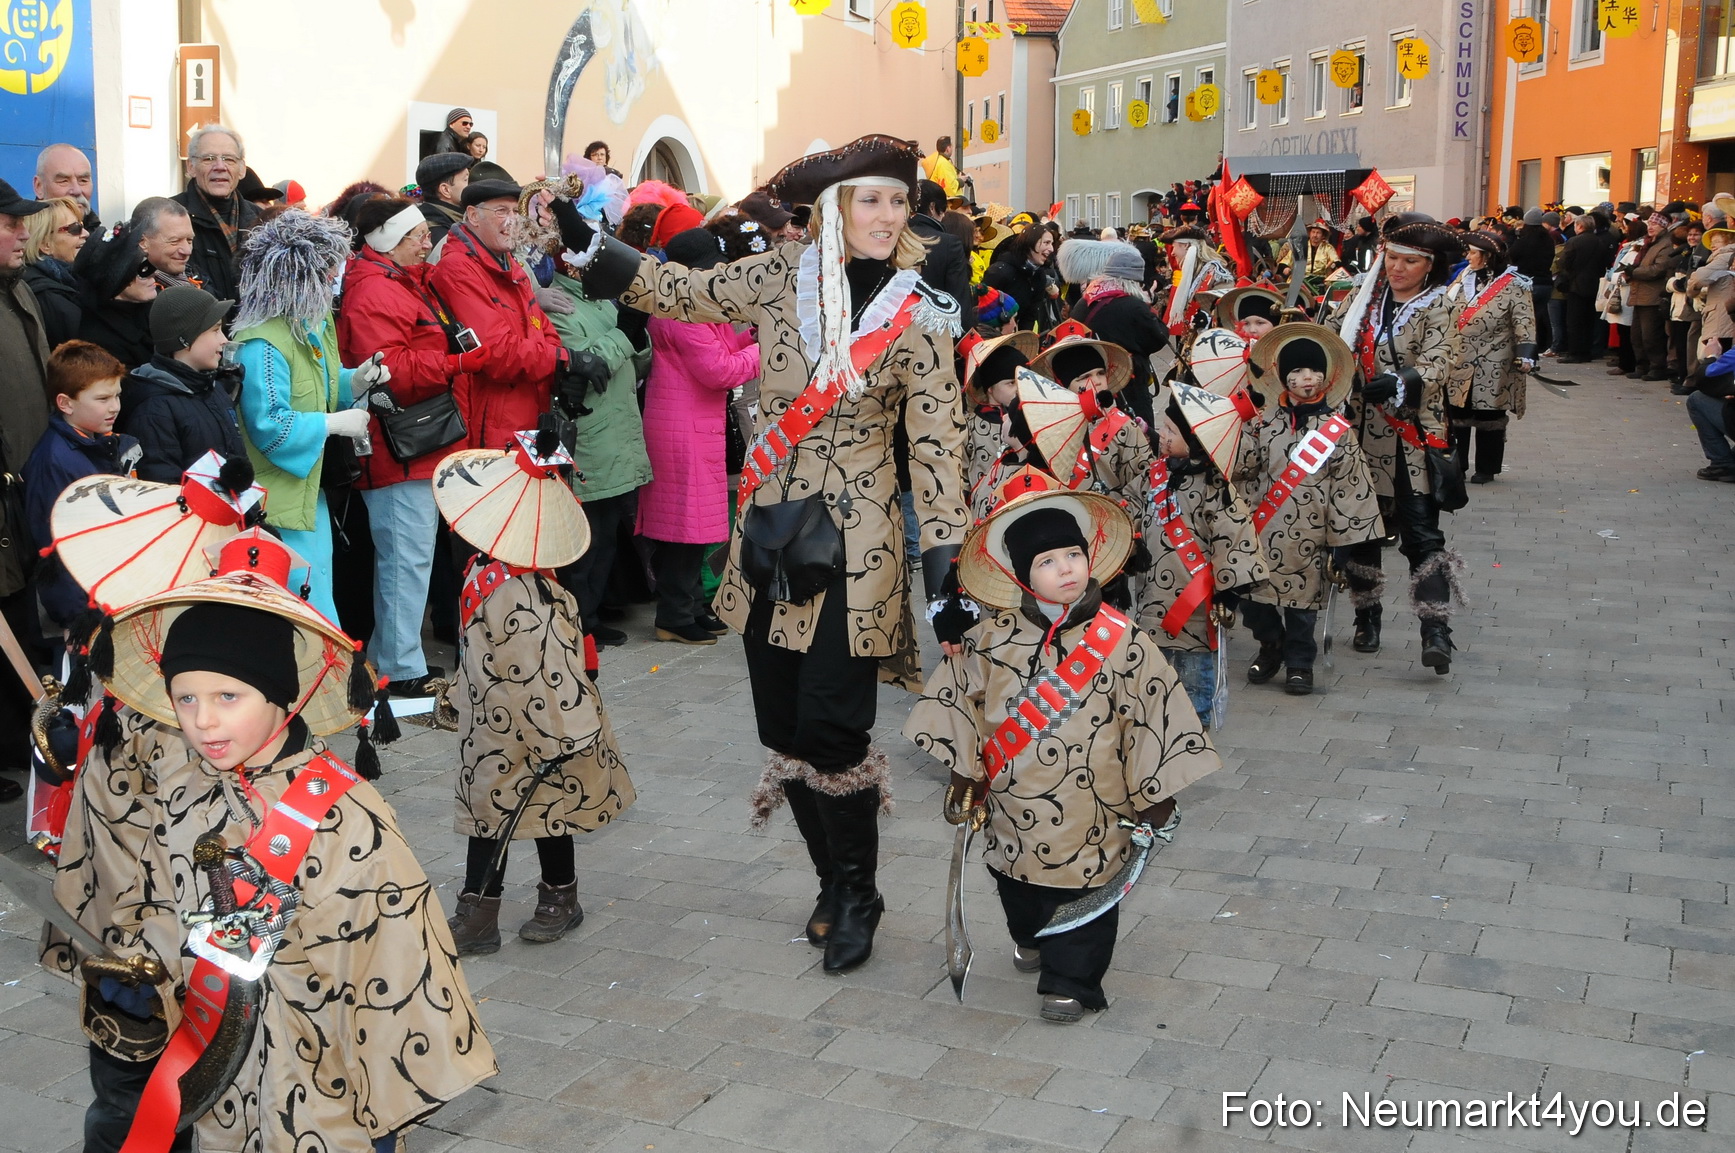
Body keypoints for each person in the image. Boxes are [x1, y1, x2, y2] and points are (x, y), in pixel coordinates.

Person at [563, 135, 968, 973]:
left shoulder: (922, 312)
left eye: (898, 200)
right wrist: (585, 243)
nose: (888, 215)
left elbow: (937, 448)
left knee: (832, 726)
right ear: (833, 210)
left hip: (856, 548)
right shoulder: (779, 274)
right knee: (781, 726)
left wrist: (946, 570)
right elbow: (678, 290)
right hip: (769, 534)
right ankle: (830, 879)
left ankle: (858, 893)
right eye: (870, 199)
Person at [58, 528, 495, 1153]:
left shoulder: (347, 821)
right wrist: (141, 963)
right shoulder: (186, 785)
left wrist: (384, 1116)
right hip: (219, 1081)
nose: (203, 720)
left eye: (228, 696)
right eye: (185, 697)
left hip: (317, 1084)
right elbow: (165, 900)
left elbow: (396, 976)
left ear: (282, 696)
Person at [905, 468, 1220, 1021]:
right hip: (1013, 806)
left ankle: (1071, 980)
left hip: (1096, 808)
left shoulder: (1123, 641)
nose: (1066, 568)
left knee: (1086, 890)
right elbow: (960, 707)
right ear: (1022, 576)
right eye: (1047, 562)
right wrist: (963, 774)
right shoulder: (991, 639)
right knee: (1016, 884)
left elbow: (1154, 715)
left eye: (1073, 554)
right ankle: (1032, 937)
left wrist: (1157, 795)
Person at [436, 432, 637, 953]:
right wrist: (461, 693)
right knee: (524, 808)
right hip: (495, 722)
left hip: (533, 724)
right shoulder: (493, 573)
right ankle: (536, 901)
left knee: (528, 808)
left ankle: (509, 907)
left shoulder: (525, 592)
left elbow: (548, 675)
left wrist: (557, 738)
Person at [337, 197, 481, 695]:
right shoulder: (376, 290)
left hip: (413, 444)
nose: (428, 242)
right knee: (406, 558)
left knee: (409, 556)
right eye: (418, 235)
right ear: (389, 241)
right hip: (396, 448)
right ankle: (401, 669)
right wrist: (455, 364)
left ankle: (393, 658)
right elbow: (387, 370)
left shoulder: (398, 281)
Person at [232, 211, 387, 622]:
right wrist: (331, 424)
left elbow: (321, 384)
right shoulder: (261, 342)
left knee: (318, 593)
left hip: (308, 490)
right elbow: (269, 425)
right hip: (276, 500)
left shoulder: (313, 323)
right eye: (328, 271)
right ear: (299, 276)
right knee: (300, 607)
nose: (336, 279)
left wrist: (356, 379)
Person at [1331, 216, 1467, 671]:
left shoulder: (1439, 304)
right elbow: (1330, 340)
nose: (1397, 268)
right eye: (1392, 258)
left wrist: (1400, 380)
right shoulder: (1363, 298)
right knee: (1362, 532)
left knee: (1423, 537)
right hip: (1359, 435)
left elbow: (1440, 362)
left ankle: (1436, 631)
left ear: (1429, 265)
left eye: (1410, 261)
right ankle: (1366, 619)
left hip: (1412, 437)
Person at [531, 197, 652, 650]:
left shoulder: (601, 300)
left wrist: (634, 335)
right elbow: (584, 366)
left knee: (606, 540)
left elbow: (636, 361)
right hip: (589, 436)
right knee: (585, 539)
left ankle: (593, 616)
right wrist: (625, 333)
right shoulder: (559, 304)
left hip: (618, 432)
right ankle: (575, 622)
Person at [1236, 325, 1383, 695]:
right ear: (1283, 378)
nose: (1306, 378)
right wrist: (1234, 428)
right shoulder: (1263, 422)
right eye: (1297, 371)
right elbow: (1243, 470)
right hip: (1261, 531)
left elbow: (1351, 489)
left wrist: (1341, 546)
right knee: (1252, 600)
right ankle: (1271, 645)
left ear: (1326, 377)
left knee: (1302, 607)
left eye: (1314, 371)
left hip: (1310, 535)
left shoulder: (1338, 431)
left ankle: (1300, 662)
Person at [636, 227, 760, 644]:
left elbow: (722, 349)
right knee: (684, 528)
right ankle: (674, 614)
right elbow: (719, 371)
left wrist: (750, 338)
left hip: (691, 424)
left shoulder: (690, 305)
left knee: (694, 525)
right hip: (683, 428)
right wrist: (763, 350)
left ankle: (688, 606)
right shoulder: (682, 313)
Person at [1139, 384, 1266, 720]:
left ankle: (1196, 725)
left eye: (1170, 431)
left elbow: (1234, 538)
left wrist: (1229, 594)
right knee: (1154, 671)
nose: (1162, 436)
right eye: (1164, 428)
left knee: (1194, 674)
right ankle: (1160, 724)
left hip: (1196, 603)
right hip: (1154, 597)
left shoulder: (1217, 488)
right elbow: (1136, 514)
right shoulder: (1155, 476)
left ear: (1194, 439)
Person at [23, 341, 140, 635]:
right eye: (102, 398)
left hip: (107, 593)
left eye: (117, 395)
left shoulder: (97, 441)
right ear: (66, 403)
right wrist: (78, 621)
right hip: (84, 612)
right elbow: (55, 550)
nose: (115, 407)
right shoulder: (55, 462)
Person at [0, 178, 53, 798]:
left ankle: (15, 737)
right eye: (10, 223)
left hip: (24, 488)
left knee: (18, 614)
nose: (23, 233)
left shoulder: (19, 288)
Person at [117, 285, 248, 483]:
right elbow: (162, 483)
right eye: (215, 330)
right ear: (185, 340)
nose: (224, 339)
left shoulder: (212, 388)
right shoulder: (154, 410)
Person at [1446, 230, 1535, 484]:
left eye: (1472, 253)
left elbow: (1524, 320)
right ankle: (1457, 466)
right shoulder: (1463, 277)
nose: (1467, 256)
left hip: (1495, 357)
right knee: (1457, 413)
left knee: (1490, 415)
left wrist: (1526, 354)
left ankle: (1487, 468)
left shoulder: (1515, 284)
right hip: (1460, 357)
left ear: (1487, 256)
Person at [1063, 241, 1168, 430]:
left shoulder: (1087, 298)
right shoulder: (1134, 306)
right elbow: (1158, 337)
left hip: (1091, 381)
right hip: (1127, 380)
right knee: (1135, 432)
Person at [171, 124, 260, 303]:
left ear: (242, 169)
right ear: (191, 167)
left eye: (229, 159)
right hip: (200, 319)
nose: (220, 166)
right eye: (209, 158)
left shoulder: (262, 220)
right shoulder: (170, 217)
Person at [74, 222, 159, 369]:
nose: (153, 274)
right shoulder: (100, 344)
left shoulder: (155, 309)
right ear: (118, 283)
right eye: (141, 272)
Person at [1626, 211, 1689, 382]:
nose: (1651, 227)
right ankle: (1642, 366)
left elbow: (1658, 269)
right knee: (1637, 336)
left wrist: (1634, 272)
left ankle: (1657, 367)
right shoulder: (1649, 243)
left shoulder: (1665, 244)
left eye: (1655, 224)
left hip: (1652, 296)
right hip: (1639, 294)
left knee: (1651, 336)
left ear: (1663, 226)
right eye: (1650, 224)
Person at [20, 194, 86, 347]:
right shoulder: (47, 296)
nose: (86, 233)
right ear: (45, 244)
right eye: (75, 228)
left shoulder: (70, 280)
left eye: (82, 225)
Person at [911, 180, 976, 327]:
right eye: (944, 209)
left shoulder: (897, 237)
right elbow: (960, 299)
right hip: (937, 329)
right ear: (933, 207)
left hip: (896, 329)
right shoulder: (949, 243)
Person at [984, 223, 1064, 333]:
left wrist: (1024, 339)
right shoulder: (999, 271)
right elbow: (981, 310)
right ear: (1030, 243)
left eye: (1051, 243)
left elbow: (1030, 315)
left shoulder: (1038, 275)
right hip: (991, 336)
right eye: (1046, 243)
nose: (1051, 249)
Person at [1555, 214, 1607, 363]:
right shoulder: (1600, 242)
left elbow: (1564, 261)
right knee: (1589, 320)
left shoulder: (1574, 241)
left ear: (1580, 226)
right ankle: (1586, 351)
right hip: (1594, 285)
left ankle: (1575, 352)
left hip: (1576, 285)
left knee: (1574, 321)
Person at [1509, 208, 1557, 353]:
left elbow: (1511, 257)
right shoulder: (1548, 240)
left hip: (1526, 282)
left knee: (1526, 318)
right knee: (1541, 318)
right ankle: (1540, 345)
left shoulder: (1523, 242)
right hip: (1545, 283)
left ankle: (1528, 348)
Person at [129, 197, 197, 288]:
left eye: (189, 240)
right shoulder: (136, 292)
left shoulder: (198, 278)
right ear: (143, 242)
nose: (187, 251)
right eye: (175, 241)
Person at [33, 143, 98, 232]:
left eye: (83, 181)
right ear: (39, 187)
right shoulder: (20, 238)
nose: (77, 190)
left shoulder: (105, 239)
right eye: (63, 181)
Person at [415, 152, 475, 247]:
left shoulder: (449, 217)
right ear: (446, 190)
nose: (471, 185)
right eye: (465, 180)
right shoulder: (439, 232)